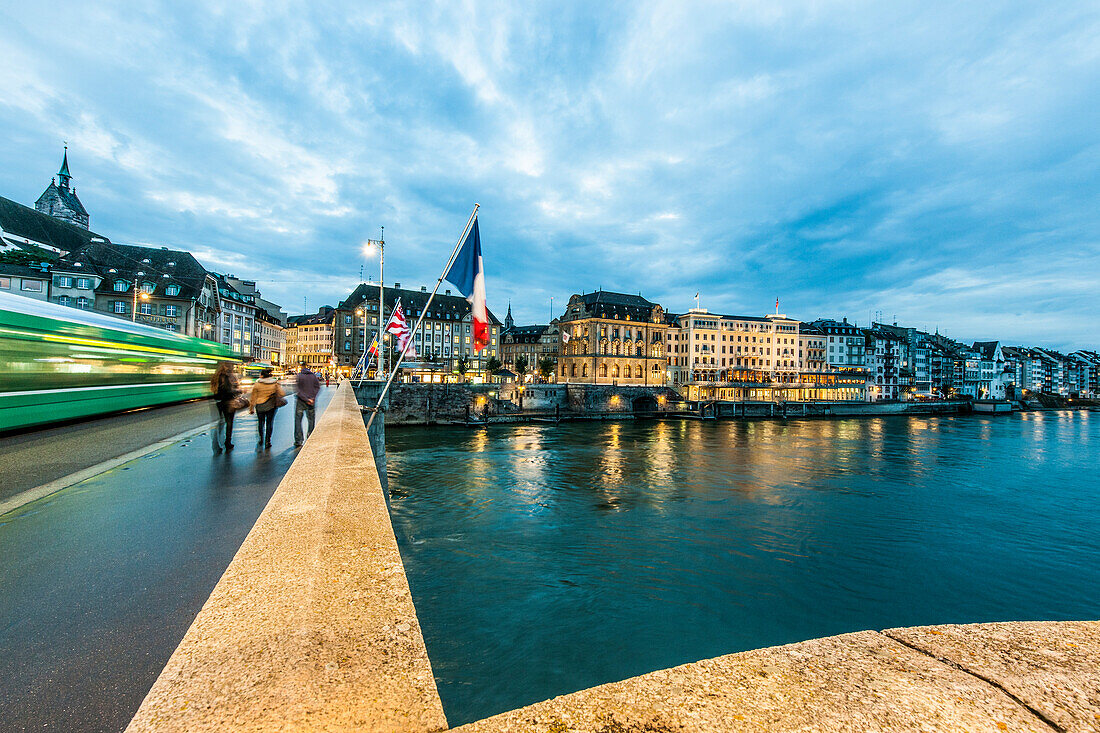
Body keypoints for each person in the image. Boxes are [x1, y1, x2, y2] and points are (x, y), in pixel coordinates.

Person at [249, 367, 286, 450]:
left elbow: (253, 397)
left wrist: (251, 408)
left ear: (261, 375)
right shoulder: (274, 383)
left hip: (260, 405)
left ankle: (261, 439)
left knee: (260, 423)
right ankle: (267, 441)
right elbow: (282, 393)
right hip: (271, 406)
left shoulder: (257, 384)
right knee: (269, 423)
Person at [210, 361, 240, 454]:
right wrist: (238, 391)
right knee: (229, 422)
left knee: (220, 422)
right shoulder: (226, 377)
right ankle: (227, 442)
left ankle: (216, 441)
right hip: (228, 401)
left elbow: (214, 389)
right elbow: (228, 390)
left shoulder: (216, 376)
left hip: (219, 402)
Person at [294, 364, 322, 447]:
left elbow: (298, 390)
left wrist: (306, 399)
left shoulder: (299, 376)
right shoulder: (313, 376)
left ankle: (299, 440)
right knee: (311, 420)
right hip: (311, 401)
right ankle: (310, 437)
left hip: (301, 401)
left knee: (298, 420)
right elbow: (317, 387)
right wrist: (312, 398)